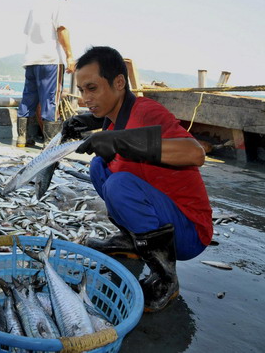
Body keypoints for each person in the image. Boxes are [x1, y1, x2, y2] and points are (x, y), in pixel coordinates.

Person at [61, 46, 212, 312]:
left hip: (189, 232)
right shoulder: (114, 116)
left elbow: (195, 153)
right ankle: (131, 239)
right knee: (98, 166)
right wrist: (90, 121)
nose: (85, 98)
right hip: (165, 217)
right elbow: (121, 129)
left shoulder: (147, 112)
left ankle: (166, 278)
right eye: (82, 90)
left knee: (120, 185)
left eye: (92, 88)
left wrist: (117, 141)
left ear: (119, 83)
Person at [16, 0, 76, 148]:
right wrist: (70, 55)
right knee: (51, 99)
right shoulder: (58, 3)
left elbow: (28, 32)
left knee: (28, 99)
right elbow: (62, 29)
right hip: (50, 59)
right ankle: (50, 143)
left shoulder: (36, 5)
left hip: (31, 60)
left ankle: (22, 138)